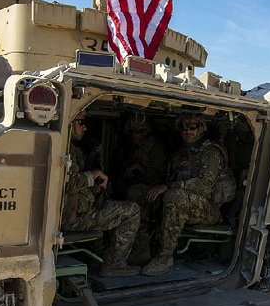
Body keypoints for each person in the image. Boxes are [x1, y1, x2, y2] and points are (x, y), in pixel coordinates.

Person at [141, 114, 226, 276]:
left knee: (174, 197)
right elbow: (167, 178)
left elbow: (205, 185)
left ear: (202, 128)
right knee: (141, 192)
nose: (187, 131)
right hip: (184, 202)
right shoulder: (180, 154)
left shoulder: (211, 152)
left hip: (209, 209)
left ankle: (165, 258)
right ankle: (141, 250)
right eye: (183, 127)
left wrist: (168, 187)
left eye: (192, 127)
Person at [61, 113, 141, 277]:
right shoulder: (63, 150)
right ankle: (115, 264)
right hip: (72, 219)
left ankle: (97, 256)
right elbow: (67, 183)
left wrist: (95, 186)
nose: (84, 127)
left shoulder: (68, 147)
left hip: (76, 211)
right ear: (68, 122)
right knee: (132, 210)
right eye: (80, 122)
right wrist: (94, 174)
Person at [121, 115, 167, 265]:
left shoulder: (156, 149)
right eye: (132, 131)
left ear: (147, 132)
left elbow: (159, 177)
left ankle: (141, 251)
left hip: (154, 192)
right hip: (135, 187)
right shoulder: (130, 147)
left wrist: (141, 169)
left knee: (135, 194)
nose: (135, 134)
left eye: (140, 131)